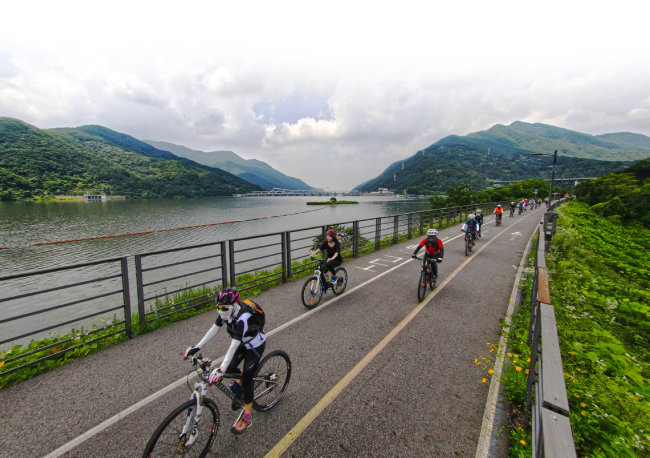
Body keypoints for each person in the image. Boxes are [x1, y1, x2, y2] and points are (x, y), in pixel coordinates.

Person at [183, 287, 266, 435]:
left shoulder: (243, 317)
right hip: (243, 343)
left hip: (254, 346)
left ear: (234, 305)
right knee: (231, 369)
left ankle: (247, 419)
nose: (221, 310)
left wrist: (220, 369)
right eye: (219, 307)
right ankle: (243, 376)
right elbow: (214, 330)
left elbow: (233, 346)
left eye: (224, 307)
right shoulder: (226, 312)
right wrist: (196, 347)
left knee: (247, 381)